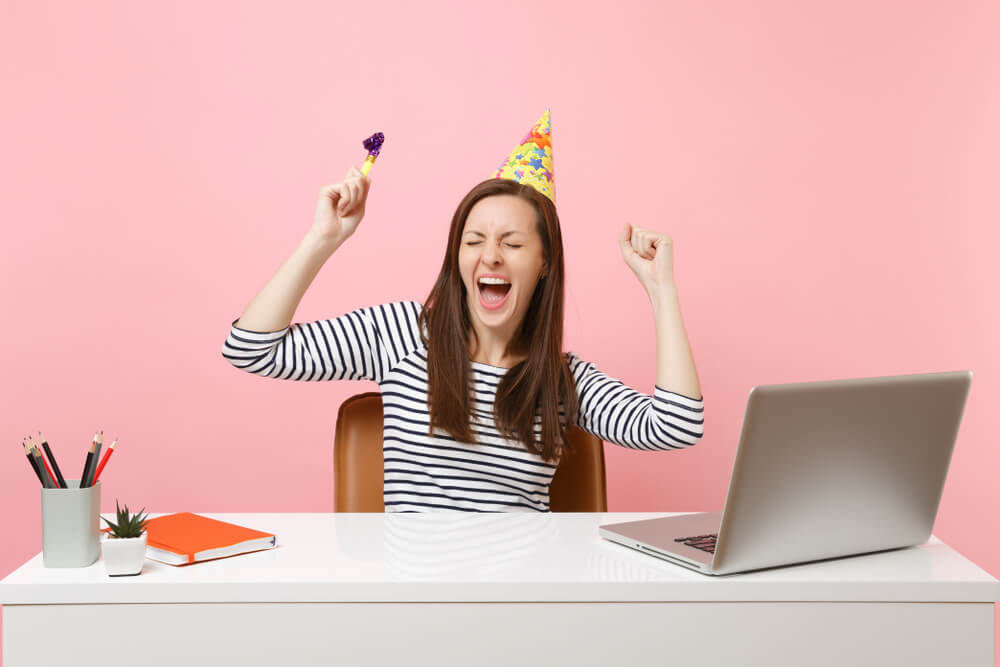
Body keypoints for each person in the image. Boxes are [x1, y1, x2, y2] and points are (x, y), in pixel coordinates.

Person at [222, 110, 704, 512]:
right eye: (474, 241)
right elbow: (250, 348)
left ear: (543, 265)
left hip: (519, 603)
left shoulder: (562, 382)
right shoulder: (403, 336)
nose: (490, 255)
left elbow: (676, 425)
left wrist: (662, 292)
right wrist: (322, 240)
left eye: (512, 243)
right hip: (417, 602)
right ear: (457, 256)